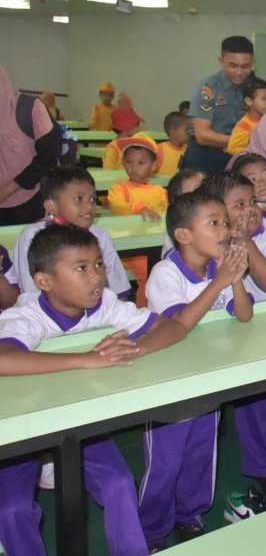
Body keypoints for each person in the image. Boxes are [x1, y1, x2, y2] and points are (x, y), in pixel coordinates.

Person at [0, 225, 189, 556]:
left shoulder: (105, 306)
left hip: (77, 419)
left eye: (99, 264)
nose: (97, 276)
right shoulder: (25, 316)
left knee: (119, 484)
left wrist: (137, 348)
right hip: (23, 424)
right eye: (81, 268)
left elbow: (173, 327)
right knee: (11, 510)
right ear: (44, 281)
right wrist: (85, 359)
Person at [138, 191, 253, 550]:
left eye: (225, 222)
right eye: (214, 223)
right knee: (165, 464)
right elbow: (178, 325)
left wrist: (235, 277)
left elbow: (244, 314)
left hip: (208, 376)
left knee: (202, 455)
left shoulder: (220, 267)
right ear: (184, 235)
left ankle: (190, 516)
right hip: (169, 386)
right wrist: (220, 281)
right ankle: (151, 531)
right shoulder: (166, 273)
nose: (225, 230)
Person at [199, 171, 266, 518]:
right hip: (212, 333)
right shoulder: (203, 241)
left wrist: (246, 241)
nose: (249, 210)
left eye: (253, 202)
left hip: (260, 331)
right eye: (238, 205)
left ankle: (264, 465)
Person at [11, 165, 132, 298]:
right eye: (78, 199)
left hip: (98, 308)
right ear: (51, 205)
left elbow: (118, 290)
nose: (89, 206)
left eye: (92, 199)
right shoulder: (33, 235)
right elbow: (31, 293)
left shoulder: (100, 234)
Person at [182, 36, 254, 173]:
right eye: (233, 66)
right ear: (221, 61)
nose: (239, 72)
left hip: (238, 156)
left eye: (245, 66)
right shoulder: (208, 88)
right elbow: (202, 135)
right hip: (205, 157)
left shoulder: (254, 87)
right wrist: (241, 141)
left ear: (253, 62)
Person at [0, 69, 61, 226]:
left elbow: (47, 158)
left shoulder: (29, 107)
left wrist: (6, 190)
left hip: (32, 199)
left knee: (30, 240)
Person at [107, 135, 168, 220]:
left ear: (153, 165)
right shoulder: (119, 189)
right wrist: (139, 208)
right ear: (123, 163)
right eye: (129, 162)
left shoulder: (160, 192)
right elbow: (117, 207)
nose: (134, 168)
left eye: (141, 163)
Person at [226, 76, 266, 156]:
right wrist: (254, 153)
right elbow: (232, 148)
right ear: (249, 101)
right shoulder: (244, 125)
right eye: (264, 99)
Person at [157, 111, 190, 177]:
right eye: (186, 130)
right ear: (173, 132)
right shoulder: (160, 150)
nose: (189, 133)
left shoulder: (189, 150)